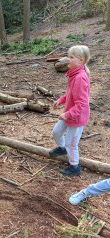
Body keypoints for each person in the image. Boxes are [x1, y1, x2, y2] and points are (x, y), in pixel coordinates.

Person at [49, 45, 91, 176]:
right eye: (68, 56)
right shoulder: (74, 75)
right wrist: (61, 100)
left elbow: (82, 104)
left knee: (71, 143)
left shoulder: (80, 78)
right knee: (56, 132)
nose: (68, 59)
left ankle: (74, 167)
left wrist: (67, 114)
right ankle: (62, 149)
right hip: (69, 114)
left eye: (71, 57)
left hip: (77, 118)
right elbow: (71, 94)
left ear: (81, 60)